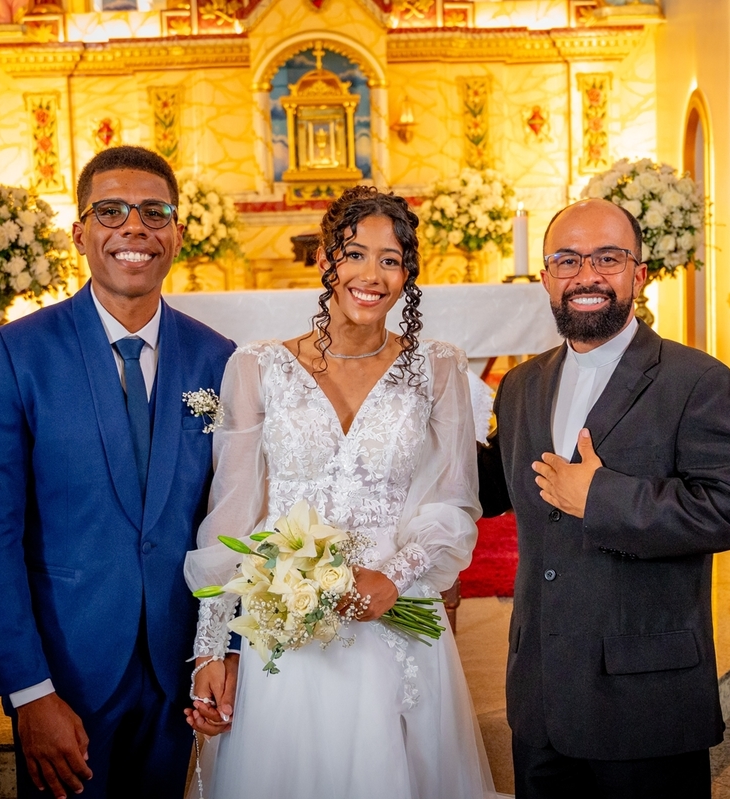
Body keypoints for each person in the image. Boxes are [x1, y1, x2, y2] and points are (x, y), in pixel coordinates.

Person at [182, 186, 496, 799]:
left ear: (408, 273)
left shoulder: (436, 368)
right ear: (325, 259)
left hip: (398, 619)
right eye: (355, 254)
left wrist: (395, 577)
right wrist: (210, 651)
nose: (371, 275)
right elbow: (233, 518)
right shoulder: (257, 367)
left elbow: (454, 500)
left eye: (390, 259)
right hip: (287, 628)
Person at [0, 145, 235, 798]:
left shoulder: (217, 358)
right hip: (66, 676)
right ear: (80, 232)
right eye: (110, 210)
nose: (134, 227)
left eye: (153, 211)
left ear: (178, 233)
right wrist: (30, 691)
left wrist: (221, 650)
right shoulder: (14, 354)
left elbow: (232, 520)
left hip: (178, 672)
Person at [477, 198, 730, 798]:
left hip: (644, 699)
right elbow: (490, 488)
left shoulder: (698, 382)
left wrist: (602, 497)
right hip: (540, 696)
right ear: (546, 278)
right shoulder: (522, 384)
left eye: (607, 258)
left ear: (639, 274)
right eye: (567, 260)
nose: (586, 276)